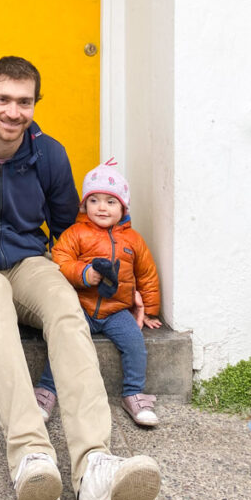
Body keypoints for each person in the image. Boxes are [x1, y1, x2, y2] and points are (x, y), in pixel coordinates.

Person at [0, 56, 161, 500]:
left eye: (24, 101)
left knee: (63, 305)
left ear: (35, 104)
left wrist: (127, 281)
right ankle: (31, 457)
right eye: (3, 100)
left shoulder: (49, 155)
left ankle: (94, 464)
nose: (13, 112)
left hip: (27, 259)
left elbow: (70, 230)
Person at [47, 159, 162, 427]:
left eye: (110, 202)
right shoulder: (76, 233)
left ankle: (133, 393)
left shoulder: (133, 240)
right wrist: (83, 273)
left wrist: (150, 310)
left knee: (135, 345)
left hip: (116, 310)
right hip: (82, 306)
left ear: (123, 207)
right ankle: (46, 390)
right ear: (84, 205)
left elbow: (147, 275)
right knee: (63, 341)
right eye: (94, 200)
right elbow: (59, 260)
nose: (101, 207)